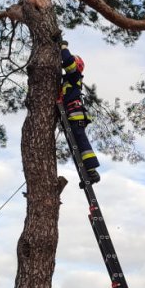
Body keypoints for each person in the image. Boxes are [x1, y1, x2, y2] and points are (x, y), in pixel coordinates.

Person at [60, 42, 100, 184]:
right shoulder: (70, 80)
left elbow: (68, 63)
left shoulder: (74, 75)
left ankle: (92, 171)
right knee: (75, 147)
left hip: (75, 115)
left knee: (81, 143)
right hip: (72, 116)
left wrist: (63, 47)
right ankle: (86, 174)